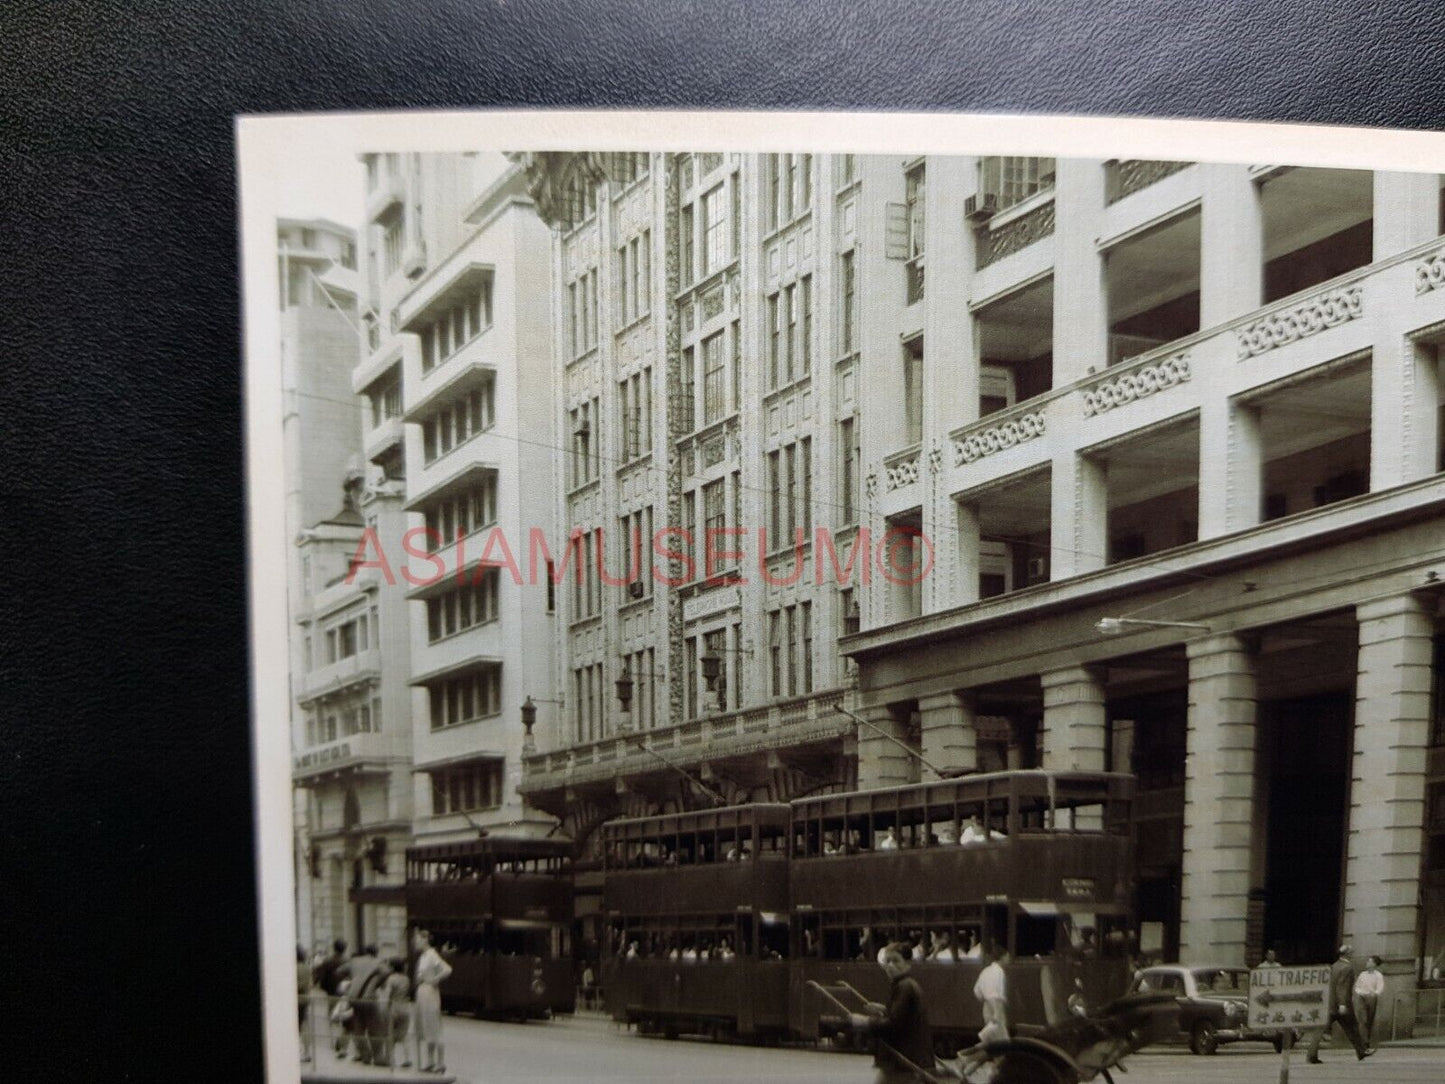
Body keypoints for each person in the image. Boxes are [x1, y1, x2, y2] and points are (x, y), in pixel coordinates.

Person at [851, 948, 936, 1084]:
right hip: (911, 1058)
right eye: (887, 961)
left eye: (896, 961)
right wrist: (885, 1009)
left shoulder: (904, 987)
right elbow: (906, 1015)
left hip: (904, 1060)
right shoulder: (908, 984)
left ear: (908, 964)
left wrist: (865, 1022)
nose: (890, 966)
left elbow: (894, 1024)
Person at [1306, 944, 1373, 1063]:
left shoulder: (1334, 966)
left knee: (1320, 1030)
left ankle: (1311, 1055)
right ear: (1347, 954)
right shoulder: (1347, 968)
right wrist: (1342, 1004)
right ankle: (1361, 1051)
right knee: (1352, 1028)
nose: (1353, 954)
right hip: (1341, 1005)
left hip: (1329, 1004)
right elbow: (1343, 987)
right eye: (1351, 952)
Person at [413, 929, 454, 1074]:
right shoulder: (423, 956)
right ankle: (430, 1061)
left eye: (417, 939)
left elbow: (447, 969)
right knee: (426, 1027)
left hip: (429, 992)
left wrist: (433, 980)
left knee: (434, 1027)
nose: (415, 942)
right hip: (423, 992)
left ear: (425, 940)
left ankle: (440, 1062)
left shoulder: (431, 954)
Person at [338, 943, 384, 1064]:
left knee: (358, 1028)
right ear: (376, 953)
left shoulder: (354, 961)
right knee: (374, 1029)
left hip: (354, 997)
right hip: (369, 998)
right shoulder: (378, 962)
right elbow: (386, 971)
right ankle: (378, 1057)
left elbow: (339, 970)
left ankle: (365, 1056)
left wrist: (353, 979)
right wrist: (377, 982)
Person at [313, 938, 349, 1056]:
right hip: (345, 993)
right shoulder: (348, 961)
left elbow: (319, 975)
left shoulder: (328, 961)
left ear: (334, 948)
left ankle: (334, 1042)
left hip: (331, 993)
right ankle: (342, 1043)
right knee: (345, 1019)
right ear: (345, 949)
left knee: (332, 1018)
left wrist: (319, 985)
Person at [379, 957, 412, 1068]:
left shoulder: (391, 979)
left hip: (394, 1007)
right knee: (404, 1036)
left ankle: (390, 1059)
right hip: (405, 1007)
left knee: (390, 1034)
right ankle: (408, 1058)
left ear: (393, 967)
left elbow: (387, 994)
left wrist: (383, 1006)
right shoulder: (406, 979)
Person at [973, 949, 1011, 1040]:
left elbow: (976, 990)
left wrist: (984, 998)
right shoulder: (999, 971)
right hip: (996, 1002)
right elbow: (999, 990)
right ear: (1003, 957)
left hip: (986, 1003)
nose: (1009, 959)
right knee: (1000, 1032)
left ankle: (990, 1047)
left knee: (991, 1029)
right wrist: (998, 1009)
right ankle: (983, 1036)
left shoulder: (985, 971)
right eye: (1007, 956)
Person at [1353, 955, 1384, 1050]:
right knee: (1363, 1019)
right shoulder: (1362, 974)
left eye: (1369, 961)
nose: (1367, 963)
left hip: (1371, 997)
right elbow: (1357, 986)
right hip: (1362, 997)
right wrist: (1359, 992)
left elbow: (1380, 987)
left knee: (1369, 1020)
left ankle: (1367, 1039)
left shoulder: (1378, 975)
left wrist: (1375, 993)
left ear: (1374, 964)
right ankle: (1364, 1042)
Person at [296, 945, 314, 1063]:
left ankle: (303, 1052)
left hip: (297, 1000)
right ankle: (307, 1051)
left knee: (298, 1027)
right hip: (305, 999)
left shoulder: (294, 968)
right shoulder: (307, 967)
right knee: (304, 1025)